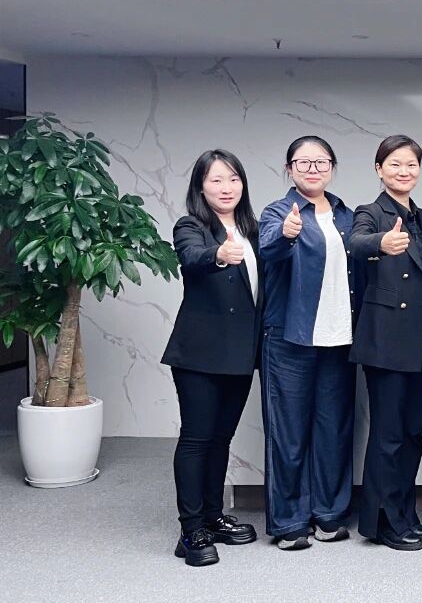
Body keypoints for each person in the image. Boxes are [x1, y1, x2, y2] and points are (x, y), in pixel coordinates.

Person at [258, 135, 359, 551]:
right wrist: (286, 234)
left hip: (340, 339)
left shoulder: (346, 214)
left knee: (334, 430)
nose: (313, 169)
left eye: (321, 162)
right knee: (289, 433)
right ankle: (289, 521)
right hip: (290, 339)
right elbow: (267, 248)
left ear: (332, 167)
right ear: (289, 169)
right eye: (303, 162)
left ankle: (329, 514)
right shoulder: (277, 212)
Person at [162, 150, 261, 567]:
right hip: (199, 353)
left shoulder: (253, 229)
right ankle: (190, 531)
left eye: (233, 179)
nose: (226, 187)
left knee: (221, 439)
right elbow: (192, 257)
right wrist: (218, 255)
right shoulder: (191, 226)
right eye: (216, 180)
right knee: (197, 438)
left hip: (241, 352)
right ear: (201, 187)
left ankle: (212, 516)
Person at [349, 135, 422, 552]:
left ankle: (405, 510)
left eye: (411, 165)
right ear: (379, 169)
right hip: (387, 342)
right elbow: (355, 243)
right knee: (387, 435)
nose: (403, 172)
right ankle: (382, 521)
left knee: (412, 433)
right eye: (394, 164)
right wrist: (381, 244)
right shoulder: (370, 213)